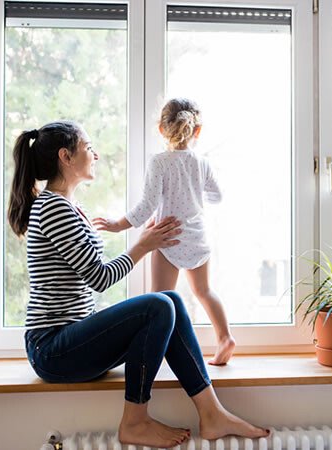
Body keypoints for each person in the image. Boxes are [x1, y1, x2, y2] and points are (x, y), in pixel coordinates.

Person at [7, 121, 268, 448]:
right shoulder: (54, 208)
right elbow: (99, 277)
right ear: (66, 157)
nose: (96, 154)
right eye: (88, 148)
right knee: (158, 305)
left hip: (71, 340)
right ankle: (135, 420)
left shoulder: (67, 207)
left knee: (170, 300)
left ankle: (211, 413)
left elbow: (88, 272)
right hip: (52, 349)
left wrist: (143, 242)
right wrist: (143, 245)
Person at [99, 98, 236, 365]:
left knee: (159, 301)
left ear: (161, 130)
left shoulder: (159, 163)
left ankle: (158, 351)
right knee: (204, 291)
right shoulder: (201, 162)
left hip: (167, 237)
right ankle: (225, 338)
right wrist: (193, 197)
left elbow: (147, 206)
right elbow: (217, 196)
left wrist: (117, 224)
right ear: (197, 131)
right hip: (197, 237)